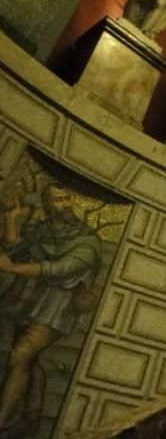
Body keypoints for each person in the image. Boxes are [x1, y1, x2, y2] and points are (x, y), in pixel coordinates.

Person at [0, 183, 100, 437]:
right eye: (57, 200)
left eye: (67, 199)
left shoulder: (87, 239)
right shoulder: (43, 230)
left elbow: (62, 269)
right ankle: (32, 420)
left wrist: (14, 269)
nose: (65, 204)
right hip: (35, 301)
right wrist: (10, 219)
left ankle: (1, 422)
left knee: (21, 354)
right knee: (30, 361)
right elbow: (14, 250)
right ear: (46, 204)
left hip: (60, 307)